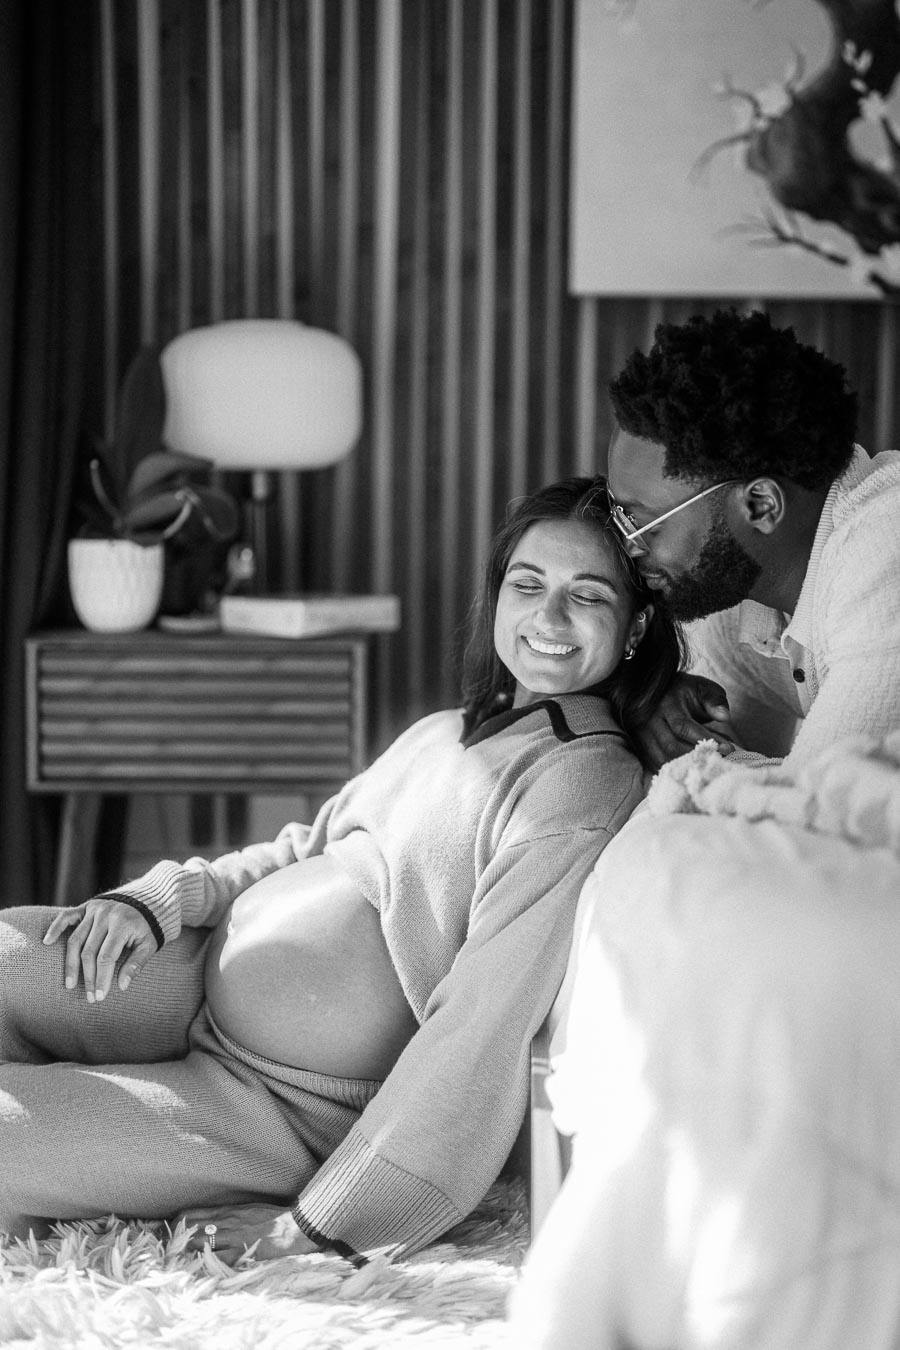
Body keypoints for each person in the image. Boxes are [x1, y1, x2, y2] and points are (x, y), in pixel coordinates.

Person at [0, 477, 682, 1266]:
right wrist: (160, 899)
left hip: (281, 1109)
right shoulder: (445, 733)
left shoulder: (580, 781)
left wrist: (326, 1225)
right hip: (182, 985)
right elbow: (302, 846)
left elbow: (479, 1031)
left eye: (587, 595)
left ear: (633, 627)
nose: (549, 616)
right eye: (527, 584)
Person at [605, 307, 900, 771]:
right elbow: (724, 748)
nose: (629, 548)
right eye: (619, 517)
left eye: (646, 526)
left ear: (761, 505)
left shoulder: (887, 549)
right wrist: (659, 714)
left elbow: (818, 810)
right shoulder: (736, 588)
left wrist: (699, 764)